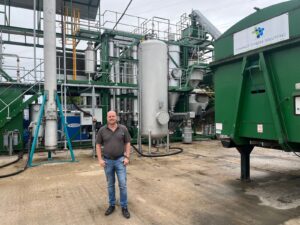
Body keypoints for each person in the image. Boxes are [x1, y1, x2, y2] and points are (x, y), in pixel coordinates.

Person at [96, 110, 131, 219]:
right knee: (110, 185)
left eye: (113, 116)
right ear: (107, 118)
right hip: (108, 162)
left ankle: (124, 206)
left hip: (120, 160)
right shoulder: (102, 130)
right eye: (109, 116)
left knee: (123, 184)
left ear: (116, 117)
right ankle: (111, 205)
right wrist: (100, 159)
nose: (111, 118)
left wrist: (127, 157)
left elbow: (128, 143)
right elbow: (97, 145)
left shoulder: (123, 129)